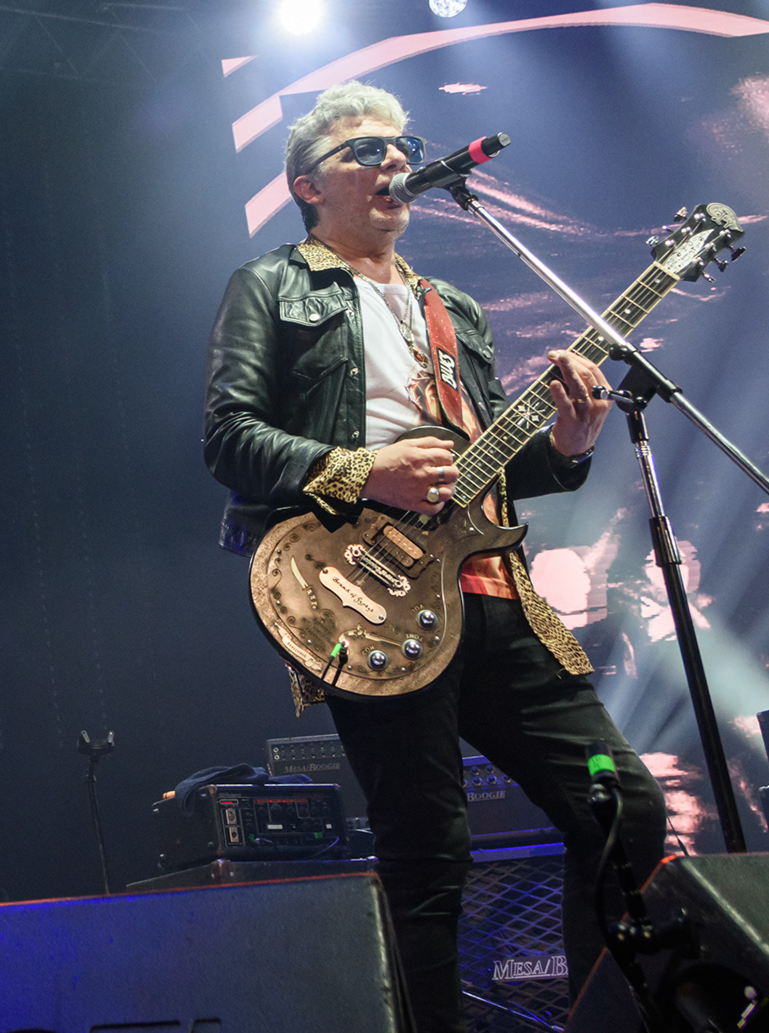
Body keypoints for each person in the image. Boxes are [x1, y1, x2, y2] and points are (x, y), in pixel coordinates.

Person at [203, 81, 666, 1031]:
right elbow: (229, 438)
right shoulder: (272, 285)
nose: (394, 161)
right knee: (429, 851)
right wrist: (364, 470)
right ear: (306, 187)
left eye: (400, 145)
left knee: (624, 810)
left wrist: (569, 447)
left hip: (496, 592)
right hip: (365, 597)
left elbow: (481, 467)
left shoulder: (452, 306)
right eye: (364, 150)